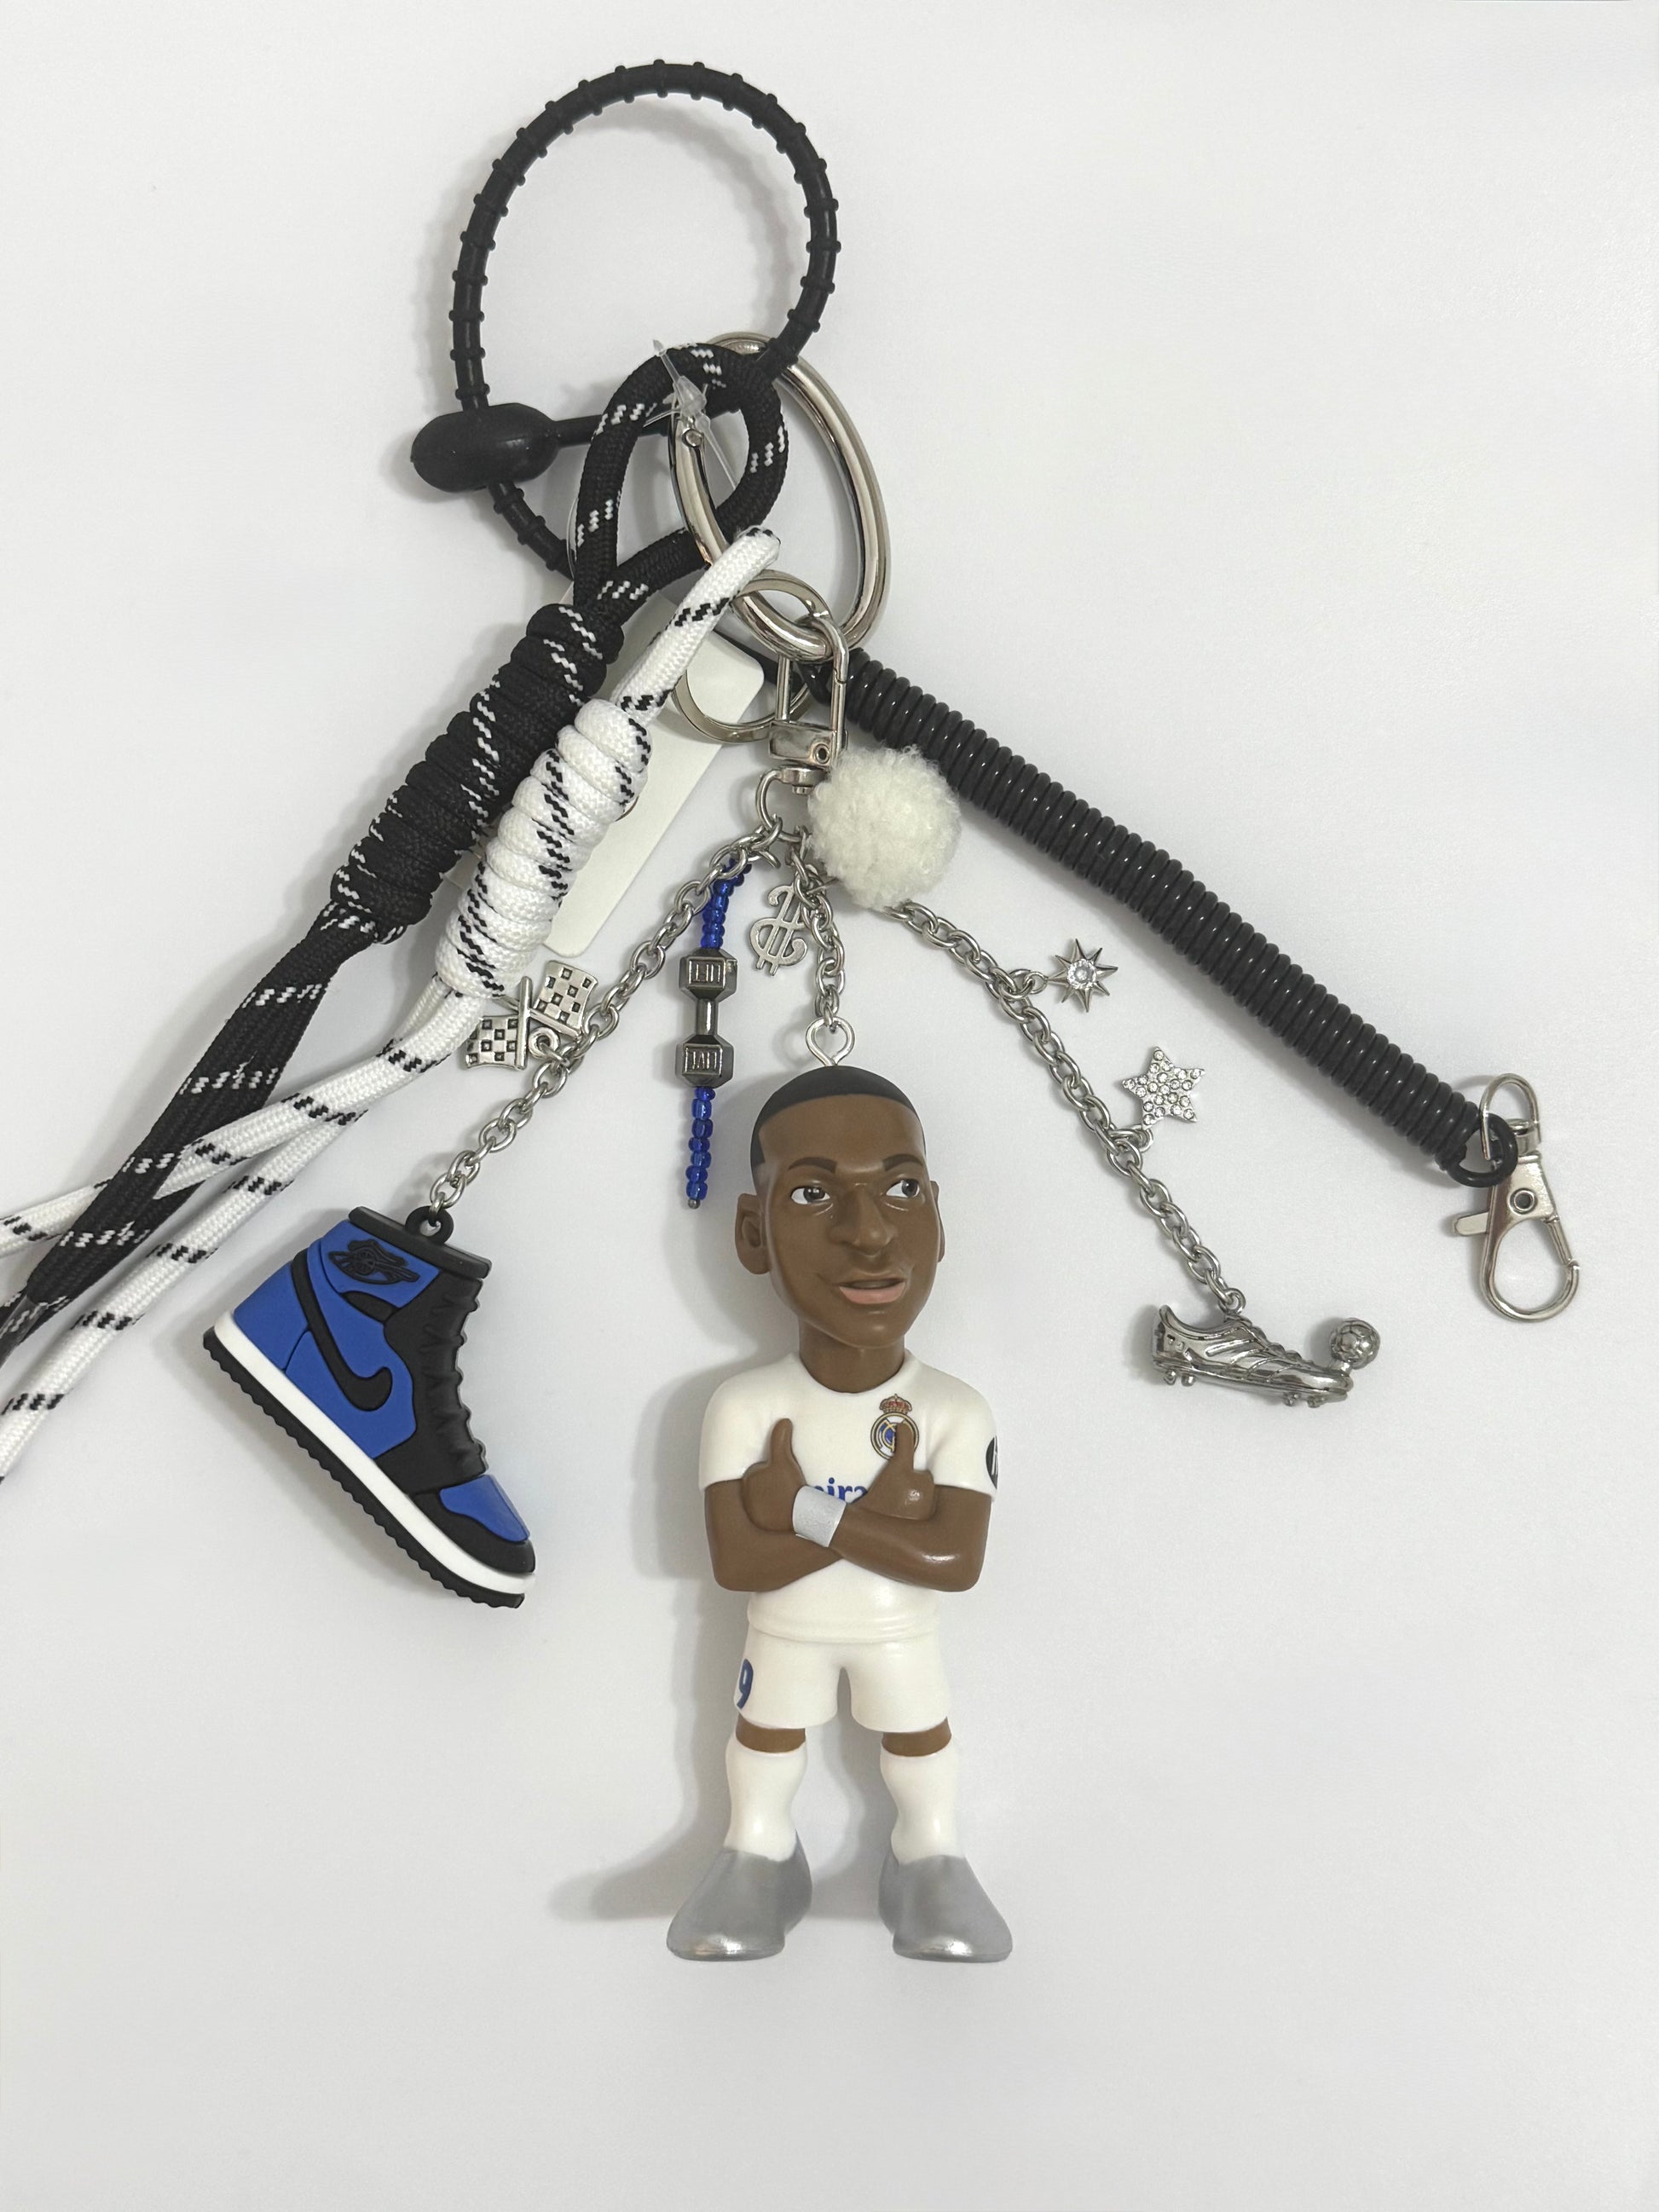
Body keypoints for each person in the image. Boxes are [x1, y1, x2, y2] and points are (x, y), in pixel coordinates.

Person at [667, 1066, 1012, 1963]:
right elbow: (739, 1563)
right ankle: (757, 1850)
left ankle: (929, 1852)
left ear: (938, 1218)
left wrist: (804, 1512)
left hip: (898, 1633)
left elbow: (955, 1562)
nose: (868, 1233)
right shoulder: (745, 1406)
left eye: (901, 1189)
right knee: (764, 1738)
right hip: (785, 1630)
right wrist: (881, 1518)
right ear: (754, 1232)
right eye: (814, 1194)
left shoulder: (954, 1409)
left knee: (919, 1740)